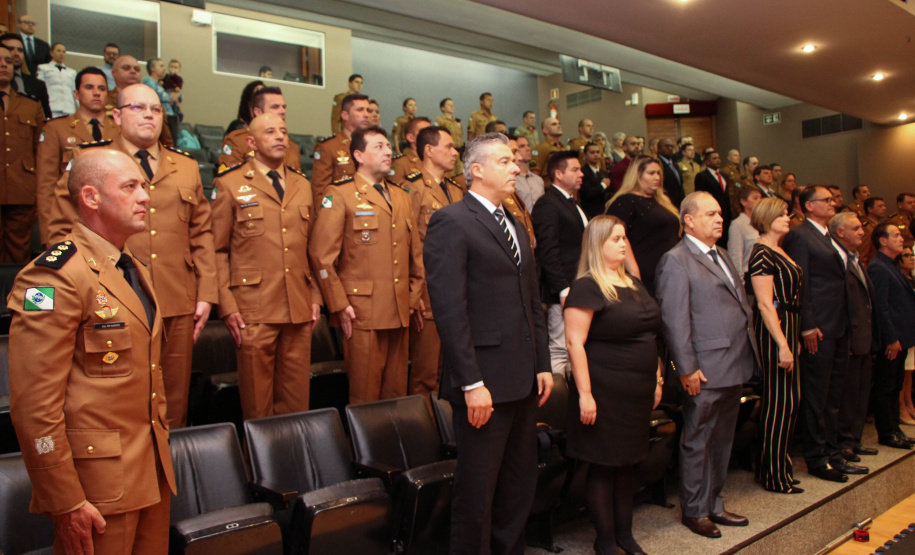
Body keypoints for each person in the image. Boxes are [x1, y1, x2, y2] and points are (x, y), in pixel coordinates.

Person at [9, 148, 176, 553]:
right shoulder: (53, 277)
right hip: (96, 491)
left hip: (150, 473)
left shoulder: (131, 267)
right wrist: (65, 500)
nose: (145, 197)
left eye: (144, 186)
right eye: (130, 186)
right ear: (91, 197)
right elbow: (34, 406)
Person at [49, 83, 218, 430]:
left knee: (174, 405)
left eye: (155, 110)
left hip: (176, 298)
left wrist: (206, 293)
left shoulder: (185, 167)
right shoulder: (90, 160)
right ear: (116, 115)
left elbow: (201, 233)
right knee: (120, 404)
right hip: (112, 299)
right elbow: (61, 229)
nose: (149, 116)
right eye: (138, 108)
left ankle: (173, 480)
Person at [423, 132, 553, 555]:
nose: (515, 167)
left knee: (518, 485)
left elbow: (531, 301)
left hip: (522, 377)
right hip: (483, 381)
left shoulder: (515, 222)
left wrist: (542, 363)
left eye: (515, 161)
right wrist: (470, 382)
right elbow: (450, 311)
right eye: (505, 161)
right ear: (476, 170)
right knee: (477, 490)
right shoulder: (451, 221)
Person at [655, 191, 757, 539]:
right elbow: (674, 321)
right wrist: (686, 367)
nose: (719, 219)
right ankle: (695, 510)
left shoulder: (723, 254)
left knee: (722, 439)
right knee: (698, 439)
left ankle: (714, 502)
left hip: (733, 361)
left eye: (720, 213)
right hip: (703, 367)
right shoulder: (676, 260)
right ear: (689, 220)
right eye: (710, 214)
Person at [563, 215, 662, 555]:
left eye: (625, 238)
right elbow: (575, 343)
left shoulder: (633, 283)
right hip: (605, 390)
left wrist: (658, 377)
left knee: (628, 464)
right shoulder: (587, 286)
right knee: (605, 466)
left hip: (637, 389)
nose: (624, 244)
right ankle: (605, 540)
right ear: (597, 245)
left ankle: (626, 535)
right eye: (616, 239)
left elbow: (650, 333)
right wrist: (586, 394)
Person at [212, 113, 321, 420]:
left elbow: (311, 248)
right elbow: (217, 250)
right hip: (253, 306)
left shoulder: (302, 184)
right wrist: (227, 302)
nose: (279, 137)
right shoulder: (230, 183)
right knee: (258, 404)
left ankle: (292, 462)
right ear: (251, 142)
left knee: (297, 403)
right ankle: (258, 466)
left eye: (284, 131)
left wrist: (315, 297)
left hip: (298, 306)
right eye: (270, 131)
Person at [308, 126, 423, 404]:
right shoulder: (340, 194)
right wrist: (338, 304)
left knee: (396, 395)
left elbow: (415, 254)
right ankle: (362, 448)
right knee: (365, 396)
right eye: (379, 147)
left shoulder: (401, 195)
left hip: (399, 309)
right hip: (361, 311)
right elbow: (321, 256)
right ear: (358, 155)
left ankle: (392, 447)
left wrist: (414, 295)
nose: (388, 152)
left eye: (388, 146)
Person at [782, 186, 853, 481]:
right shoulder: (800, 235)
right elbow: (803, 282)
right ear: (809, 206)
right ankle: (817, 456)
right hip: (819, 327)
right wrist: (808, 324)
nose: (833, 203)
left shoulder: (826, 234)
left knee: (834, 394)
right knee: (817, 396)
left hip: (837, 325)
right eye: (826, 200)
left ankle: (834, 453)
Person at [747, 198, 803, 493]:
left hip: (789, 324)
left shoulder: (779, 249)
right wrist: (782, 344)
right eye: (780, 214)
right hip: (775, 328)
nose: (787, 218)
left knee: (790, 401)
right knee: (779, 403)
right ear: (766, 218)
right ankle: (772, 474)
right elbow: (765, 305)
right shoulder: (761, 253)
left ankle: (779, 467)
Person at [408, 126, 464, 398]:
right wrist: (414, 291)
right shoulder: (413, 188)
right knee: (426, 374)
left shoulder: (455, 189)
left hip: (457, 290)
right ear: (429, 150)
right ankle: (424, 434)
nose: (455, 153)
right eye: (449, 146)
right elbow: (408, 245)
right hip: (428, 292)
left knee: (453, 372)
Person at [37, 67, 118, 246]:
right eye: (89, 87)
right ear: (76, 93)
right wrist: (48, 236)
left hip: (113, 222)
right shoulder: (57, 129)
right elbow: (46, 187)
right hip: (72, 221)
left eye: (101, 88)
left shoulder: (120, 130)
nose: (96, 93)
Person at [830, 212, 878, 467]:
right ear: (840, 232)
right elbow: (840, 303)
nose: (862, 232)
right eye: (856, 228)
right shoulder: (837, 260)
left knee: (860, 393)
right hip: (849, 337)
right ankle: (844, 443)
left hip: (864, 336)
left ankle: (855, 439)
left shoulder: (856, 258)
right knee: (847, 395)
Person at [532, 150, 586, 377]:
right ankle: (556, 403)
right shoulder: (548, 204)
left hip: (577, 285)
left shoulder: (570, 202)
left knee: (575, 345)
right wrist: (563, 289)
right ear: (558, 174)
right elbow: (548, 250)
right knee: (560, 347)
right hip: (562, 290)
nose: (581, 174)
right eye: (575, 169)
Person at [868, 222, 915, 449]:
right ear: (883, 241)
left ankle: (896, 429)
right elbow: (881, 307)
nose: (901, 239)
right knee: (886, 386)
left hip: (902, 335)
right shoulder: (878, 266)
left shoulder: (892, 265)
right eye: (895, 235)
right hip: (892, 338)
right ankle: (887, 433)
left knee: (895, 385)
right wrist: (890, 338)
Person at [605, 156, 679, 295]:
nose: (657, 177)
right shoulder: (626, 201)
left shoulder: (662, 201)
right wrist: (634, 273)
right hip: (645, 276)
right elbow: (619, 238)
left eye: (658, 173)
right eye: (651, 173)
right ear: (637, 176)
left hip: (670, 271)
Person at [0, 43, 45, 263]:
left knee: (20, 255)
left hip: (22, 188)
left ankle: (14, 297)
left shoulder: (30, 105)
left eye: (8, 61)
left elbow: (40, 151)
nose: (3, 65)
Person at [219, 86, 301, 172]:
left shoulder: (292, 147)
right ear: (258, 112)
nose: (282, 111)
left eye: (284, 107)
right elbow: (229, 180)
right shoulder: (238, 141)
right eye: (275, 107)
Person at [311, 93, 371, 203]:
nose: (366, 114)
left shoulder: (372, 146)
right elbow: (321, 191)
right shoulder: (329, 147)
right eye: (360, 110)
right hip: (342, 212)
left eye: (368, 110)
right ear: (345, 115)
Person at [0, 32, 51, 117]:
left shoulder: (38, 85)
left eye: (20, 50)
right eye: (11, 49)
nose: (16, 53)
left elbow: (46, 118)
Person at [694, 150, 734, 248]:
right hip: (712, 212)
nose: (718, 160)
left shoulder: (723, 175)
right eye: (714, 158)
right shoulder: (702, 176)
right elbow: (701, 196)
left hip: (725, 214)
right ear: (707, 162)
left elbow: (726, 195)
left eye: (718, 158)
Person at [895, 247, 915, 425]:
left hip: (912, 329)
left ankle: (909, 403)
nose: (911, 258)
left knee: (910, 371)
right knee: (904, 371)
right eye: (907, 255)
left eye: (912, 255)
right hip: (903, 331)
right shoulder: (896, 276)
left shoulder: (911, 278)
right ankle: (902, 407)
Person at [727, 186, 763, 284]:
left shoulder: (762, 223)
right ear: (743, 201)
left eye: (760, 198)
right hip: (748, 276)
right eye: (755, 198)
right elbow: (736, 256)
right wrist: (739, 283)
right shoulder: (738, 224)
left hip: (763, 273)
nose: (759, 201)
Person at [141, 57, 178, 142]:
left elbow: (178, 98)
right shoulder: (148, 81)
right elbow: (158, 96)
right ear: (152, 68)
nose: (164, 69)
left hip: (169, 115)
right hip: (160, 115)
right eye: (161, 66)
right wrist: (171, 97)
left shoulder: (160, 84)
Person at [35, 42, 76, 117]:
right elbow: (39, 88)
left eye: (63, 52)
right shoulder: (43, 68)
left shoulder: (72, 72)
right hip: (52, 107)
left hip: (69, 109)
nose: (61, 54)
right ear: (51, 53)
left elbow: (75, 91)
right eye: (58, 51)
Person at [390, 116, 430, 187]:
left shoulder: (438, 161)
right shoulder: (400, 163)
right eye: (424, 132)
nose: (430, 136)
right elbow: (395, 193)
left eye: (432, 132)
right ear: (410, 137)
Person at [532, 116, 567, 186]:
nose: (558, 126)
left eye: (559, 124)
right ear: (545, 130)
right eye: (554, 124)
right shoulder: (541, 148)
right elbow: (535, 175)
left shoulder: (564, 148)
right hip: (549, 189)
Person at [434, 97, 464, 175]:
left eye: (452, 104)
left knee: (460, 175)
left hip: (459, 152)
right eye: (449, 105)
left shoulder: (457, 122)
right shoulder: (439, 121)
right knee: (449, 174)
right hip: (448, 152)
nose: (452, 106)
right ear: (442, 108)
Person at [513, 135, 545, 209]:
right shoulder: (512, 180)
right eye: (522, 146)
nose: (528, 149)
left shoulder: (538, 180)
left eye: (528, 145)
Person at [580, 141, 609, 219]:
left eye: (598, 152)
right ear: (585, 155)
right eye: (592, 152)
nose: (596, 155)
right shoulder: (582, 172)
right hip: (590, 212)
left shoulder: (604, 173)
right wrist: (603, 185)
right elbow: (588, 193)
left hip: (604, 211)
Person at [656, 138, 685, 207]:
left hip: (679, 202)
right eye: (666, 146)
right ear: (659, 148)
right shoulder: (657, 163)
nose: (670, 148)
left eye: (672, 146)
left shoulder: (674, 164)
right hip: (665, 202)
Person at [860, 196, 887, 267]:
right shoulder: (867, 228)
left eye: (884, 206)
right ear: (870, 209)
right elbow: (863, 255)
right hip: (872, 267)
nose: (884, 208)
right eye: (880, 206)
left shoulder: (880, 225)